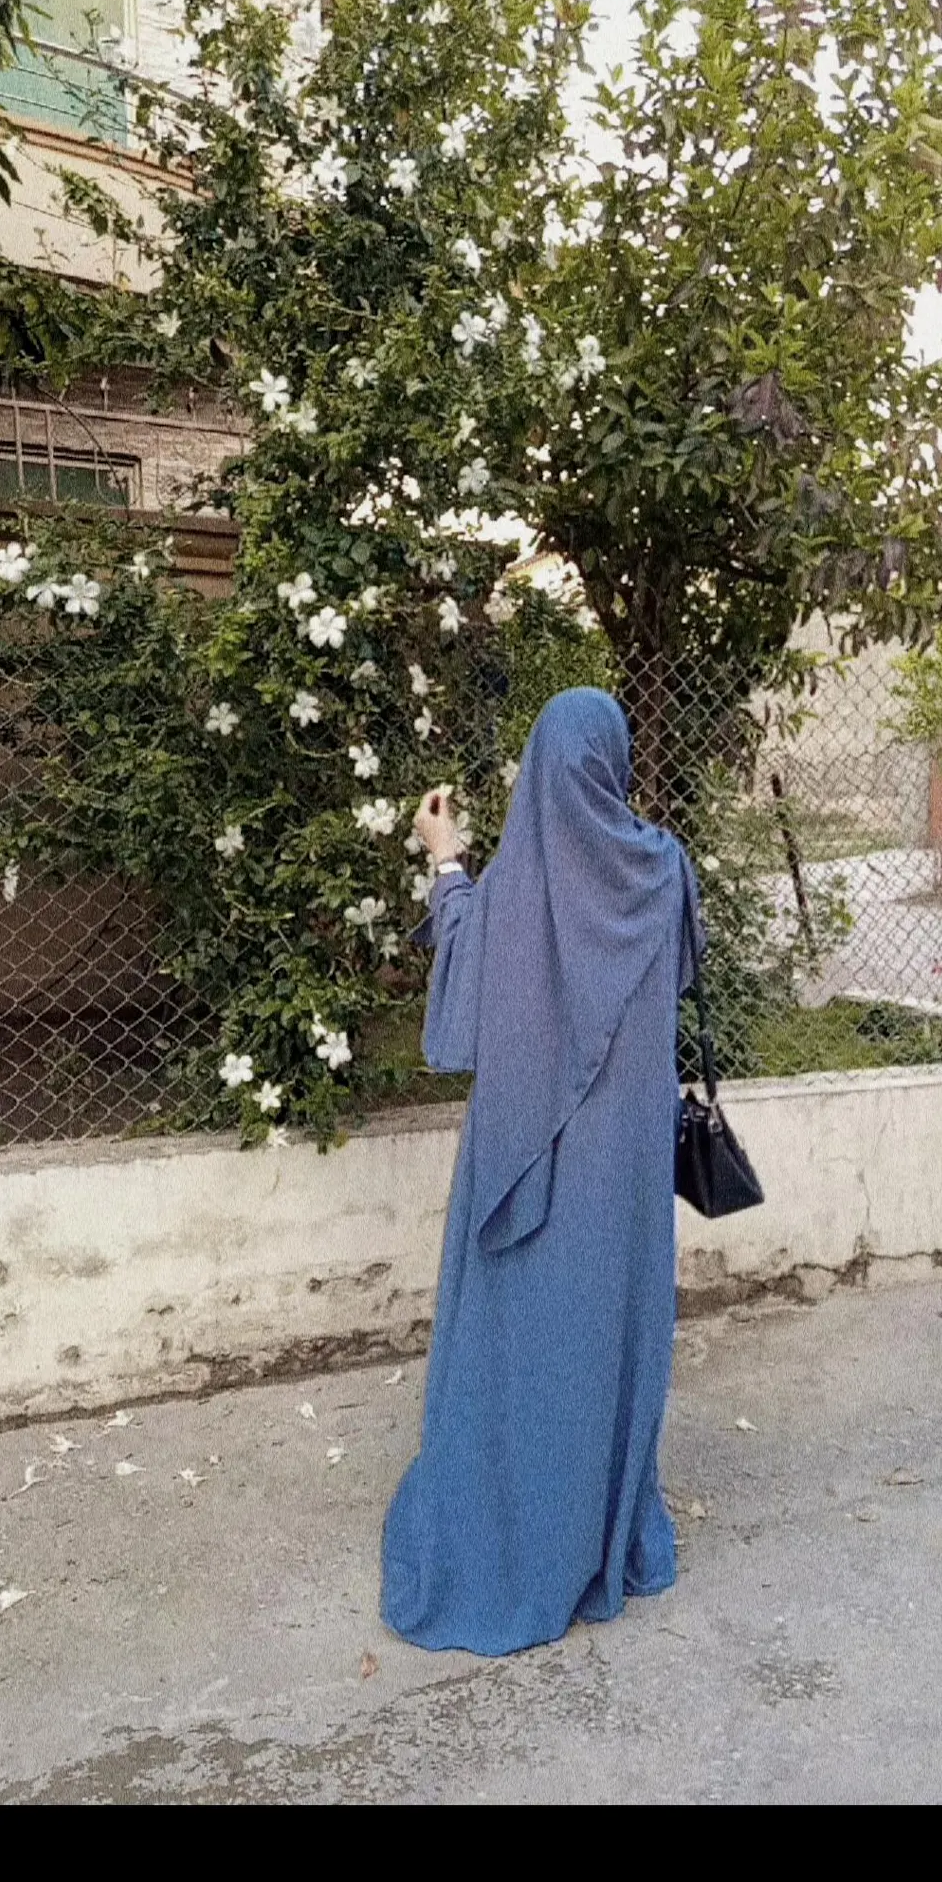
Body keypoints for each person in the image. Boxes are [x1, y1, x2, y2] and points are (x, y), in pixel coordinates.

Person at [380, 685, 703, 1657]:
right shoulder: (664, 868)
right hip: (626, 1168)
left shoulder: (516, 887)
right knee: (607, 1334)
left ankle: (515, 1533)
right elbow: (679, 971)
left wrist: (448, 861)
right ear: (614, 763)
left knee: (521, 1340)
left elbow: (468, 994)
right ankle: (601, 1534)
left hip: (525, 1157)